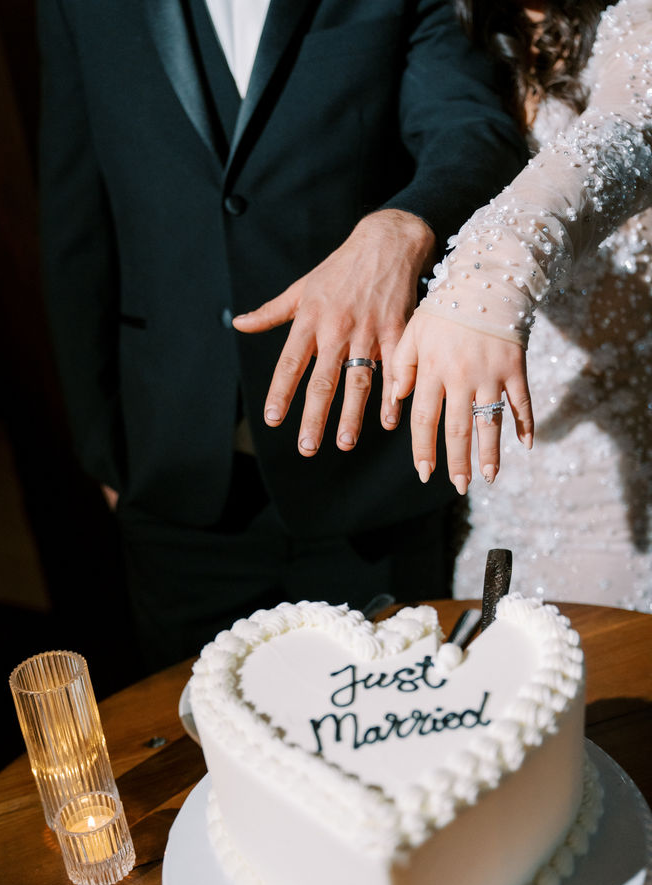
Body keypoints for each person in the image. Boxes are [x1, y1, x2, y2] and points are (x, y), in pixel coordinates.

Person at [37, 0, 527, 670]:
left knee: (392, 734)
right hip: (172, 474)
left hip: (366, 472)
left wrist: (406, 222)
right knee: (203, 746)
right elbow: (75, 216)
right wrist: (103, 449)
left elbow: (474, 131)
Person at [390, 0, 652, 609]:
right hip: (492, 490)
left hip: (617, 500)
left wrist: (489, 272)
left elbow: (627, 131)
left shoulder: (636, 18)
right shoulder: (442, 34)